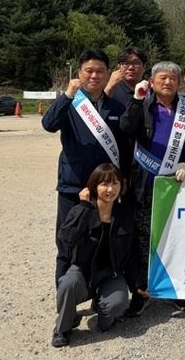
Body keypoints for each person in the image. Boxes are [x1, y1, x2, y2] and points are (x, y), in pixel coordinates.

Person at [120, 61, 185, 315]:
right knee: (143, 239)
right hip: (145, 184)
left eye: (172, 78)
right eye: (162, 78)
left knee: (174, 238)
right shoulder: (143, 104)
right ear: (152, 81)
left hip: (176, 186)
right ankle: (141, 291)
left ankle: (172, 290)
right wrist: (136, 101)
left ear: (179, 82)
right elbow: (126, 128)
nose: (168, 82)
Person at [43, 49, 130, 285]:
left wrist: (122, 180)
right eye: (88, 71)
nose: (94, 75)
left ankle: (98, 292)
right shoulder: (70, 103)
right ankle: (64, 297)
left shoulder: (116, 108)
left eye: (100, 71)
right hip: (72, 184)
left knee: (101, 240)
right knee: (67, 240)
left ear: (107, 74)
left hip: (104, 188)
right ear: (79, 73)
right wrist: (67, 95)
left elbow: (123, 148)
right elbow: (48, 125)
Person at [52, 164, 134, 347]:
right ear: (94, 187)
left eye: (115, 183)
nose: (110, 189)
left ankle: (100, 305)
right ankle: (62, 328)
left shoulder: (124, 215)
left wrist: (137, 285)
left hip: (110, 273)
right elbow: (66, 237)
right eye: (104, 184)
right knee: (67, 284)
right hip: (83, 270)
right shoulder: (82, 210)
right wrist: (83, 207)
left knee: (116, 306)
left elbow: (130, 253)